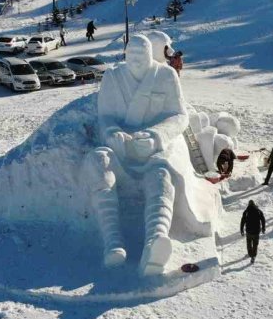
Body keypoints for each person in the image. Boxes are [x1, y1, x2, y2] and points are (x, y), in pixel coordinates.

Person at [83, 34, 215, 276]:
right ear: (124, 55)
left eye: (140, 56)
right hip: (120, 148)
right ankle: (113, 243)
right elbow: (105, 116)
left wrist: (156, 135)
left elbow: (179, 116)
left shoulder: (165, 75)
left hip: (155, 147)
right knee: (99, 162)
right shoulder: (112, 78)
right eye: (130, 55)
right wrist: (113, 132)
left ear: (149, 55)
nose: (135, 60)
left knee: (161, 175)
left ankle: (156, 242)